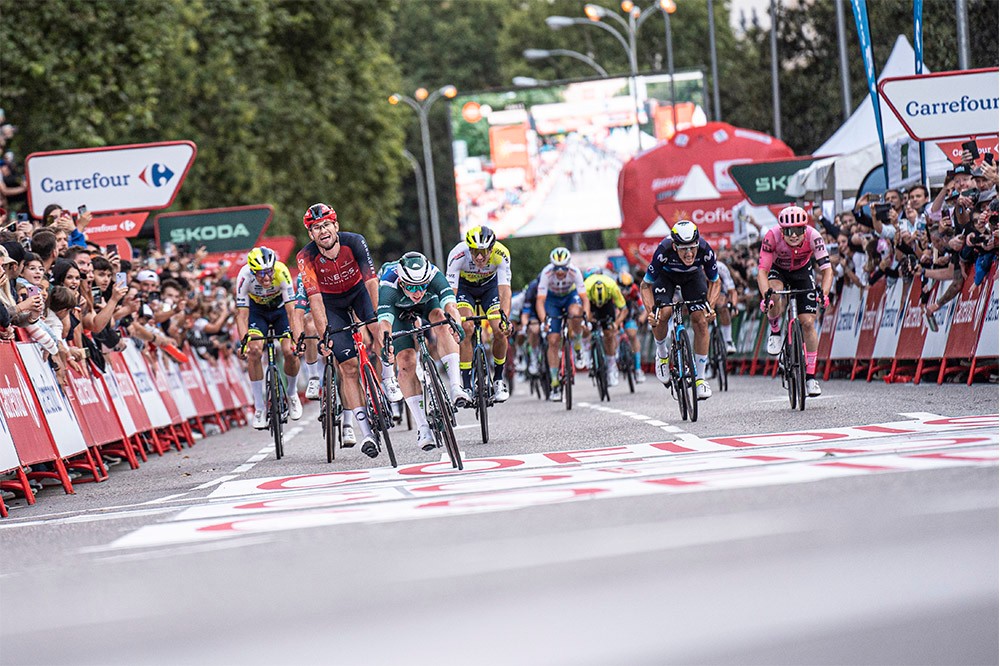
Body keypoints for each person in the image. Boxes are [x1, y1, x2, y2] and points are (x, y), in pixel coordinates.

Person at [296, 202, 383, 458]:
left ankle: (388, 379)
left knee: (379, 328)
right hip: (331, 304)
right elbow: (314, 300)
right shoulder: (305, 257)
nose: (322, 231)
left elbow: (371, 282)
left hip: (359, 294)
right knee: (347, 367)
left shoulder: (354, 242)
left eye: (326, 225)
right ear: (311, 235)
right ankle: (365, 432)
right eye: (315, 228)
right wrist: (324, 336)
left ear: (336, 226)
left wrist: (377, 318)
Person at [378, 252, 467, 451]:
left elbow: (451, 306)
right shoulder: (388, 286)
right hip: (398, 311)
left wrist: (456, 325)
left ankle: (455, 387)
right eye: (411, 286)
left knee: (441, 319)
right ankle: (422, 427)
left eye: (422, 286)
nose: (417, 292)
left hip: (428, 306)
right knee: (406, 360)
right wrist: (386, 345)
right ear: (401, 282)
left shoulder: (434, 275)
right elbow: (384, 323)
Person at [757, 205, 834, 397]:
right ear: (782, 230)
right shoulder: (772, 236)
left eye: (798, 230)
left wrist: (823, 294)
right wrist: (766, 296)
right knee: (775, 294)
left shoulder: (814, 236)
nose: (794, 236)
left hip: (802, 271)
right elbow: (762, 271)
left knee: (808, 322)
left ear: (805, 229)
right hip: (778, 270)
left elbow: (827, 270)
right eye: (789, 231)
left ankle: (810, 377)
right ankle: (775, 330)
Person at [640, 219, 721, 400]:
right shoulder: (664, 250)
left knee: (700, 320)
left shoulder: (705, 250)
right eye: (683, 248)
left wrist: (711, 305)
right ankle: (662, 354)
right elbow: (645, 285)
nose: (689, 253)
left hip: (693, 277)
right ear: (675, 246)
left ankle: (700, 378)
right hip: (666, 277)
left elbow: (715, 281)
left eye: (692, 247)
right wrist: (651, 312)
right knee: (665, 313)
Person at [235, 246, 303, 429]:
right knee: (255, 351)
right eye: (261, 273)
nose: (266, 277)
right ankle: (259, 407)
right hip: (258, 313)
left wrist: (297, 338)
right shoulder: (244, 277)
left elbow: (291, 311)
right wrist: (244, 343)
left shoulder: (281, 272)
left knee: (290, 351)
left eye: (269, 272)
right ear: (252, 271)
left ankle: (292, 392)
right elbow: (241, 315)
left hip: (281, 311)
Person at [445, 225, 513, 403]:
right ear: (469, 249)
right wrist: (453, 320)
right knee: (466, 328)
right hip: (464, 288)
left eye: (483, 252)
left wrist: (505, 318)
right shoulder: (457, 254)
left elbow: (505, 291)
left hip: (490, 288)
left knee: (499, 330)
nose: (480, 257)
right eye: (475, 252)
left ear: (492, 249)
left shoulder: (502, 254)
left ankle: (498, 380)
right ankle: (466, 385)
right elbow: (450, 293)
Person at [535, 247, 589, 402]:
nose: (560, 272)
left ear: (568, 266)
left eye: (563, 268)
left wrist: (584, 317)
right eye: (557, 268)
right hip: (552, 300)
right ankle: (554, 383)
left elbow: (584, 299)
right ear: (552, 266)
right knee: (553, 340)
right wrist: (544, 320)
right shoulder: (546, 274)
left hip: (569, 297)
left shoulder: (575, 272)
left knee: (576, 312)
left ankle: (578, 347)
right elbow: (540, 301)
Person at [583, 272, 627, 387]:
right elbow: (583, 309)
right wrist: (587, 320)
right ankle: (587, 349)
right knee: (585, 325)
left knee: (609, 334)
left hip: (607, 305)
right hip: (590, 304)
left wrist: (616, 323)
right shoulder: (586, 286)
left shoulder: (612, 286)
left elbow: (624, 309)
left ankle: (612, 365)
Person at [617, 271, 646, 382]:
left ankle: (638, 369)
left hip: (629, 314)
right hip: (616, 311)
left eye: (627, 288)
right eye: (622, 288)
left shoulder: (634, 291)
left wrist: (642, 318)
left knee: (633, 335)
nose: (625, 291)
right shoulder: (614, 289)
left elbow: (643, 308)